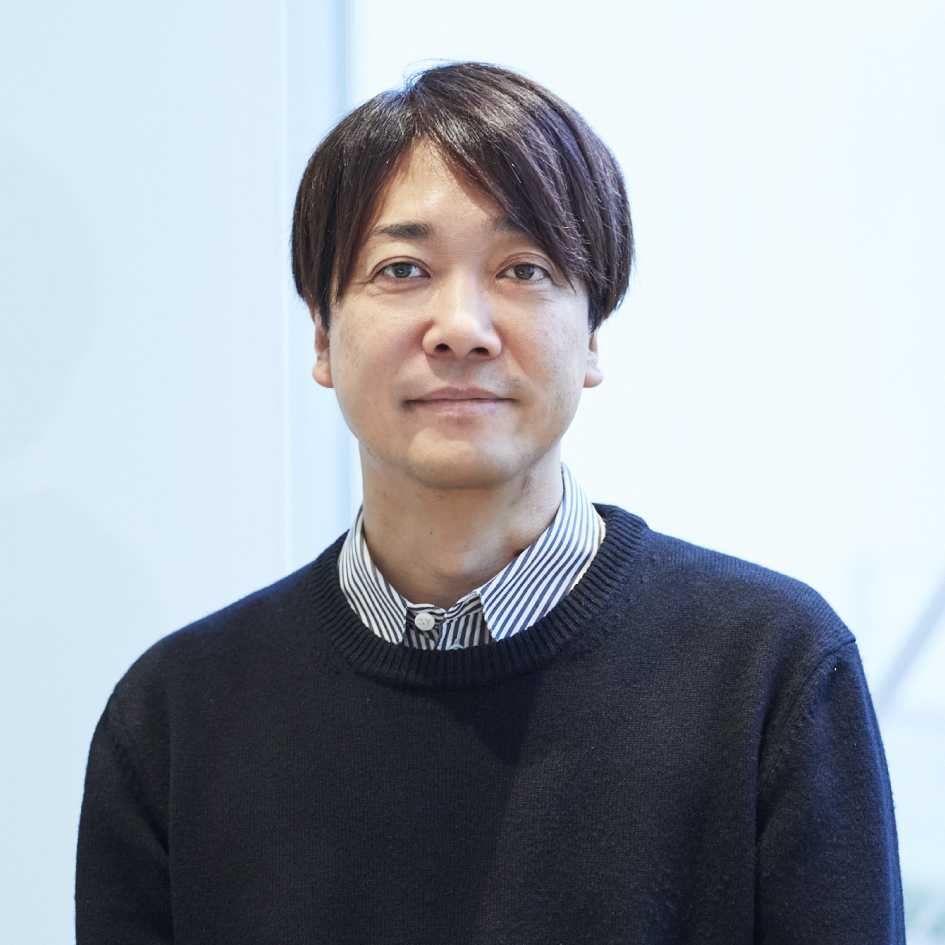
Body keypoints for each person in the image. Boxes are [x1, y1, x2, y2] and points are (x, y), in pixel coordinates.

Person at [75, 61, 906, 944]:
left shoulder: (769, 670)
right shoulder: (176, 717)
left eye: (523, 269)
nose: (462, 327)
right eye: (402, 268)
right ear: (321, 330)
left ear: (592, 334)